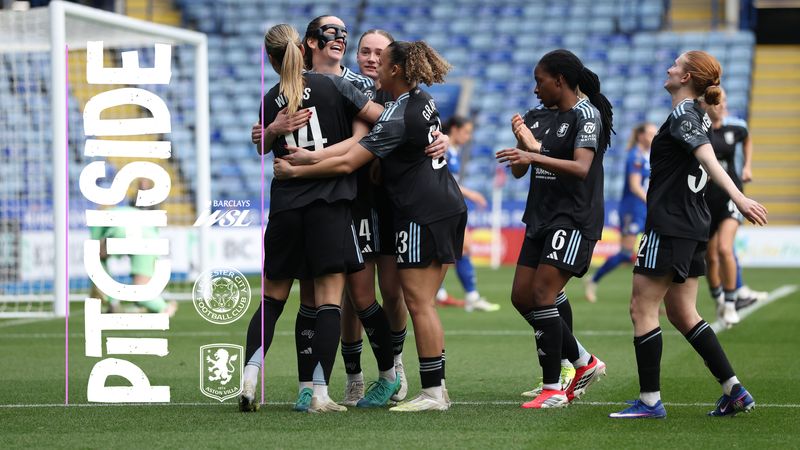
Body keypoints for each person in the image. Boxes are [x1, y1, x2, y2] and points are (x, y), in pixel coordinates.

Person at [275, 40, 463, 412]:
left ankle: (425, 389)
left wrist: (301, 166)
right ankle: (425, 386)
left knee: (415, 301)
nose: (372, 60)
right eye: (365, 52)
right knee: (399, 300)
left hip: (418, 210)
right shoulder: (417, 99)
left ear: (394, 68)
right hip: (436, 203)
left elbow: (350, 160)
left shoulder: (396, 112)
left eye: (381, 55)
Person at [609, 51, 767, 419]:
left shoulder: (684, 114)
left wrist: (739, 198)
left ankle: (649, 402)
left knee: (642, 308)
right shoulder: (694, 115)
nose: (668, 68)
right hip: (691, 224)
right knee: (682, 312)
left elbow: (708, 158)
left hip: (671, 224)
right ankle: (735, 391)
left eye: (675, 65)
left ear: (687, 77)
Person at [239, 23, 384, 414]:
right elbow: (377, 123)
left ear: (272, 59)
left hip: (286, 205)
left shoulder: (271, 98)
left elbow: (261, 147)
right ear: (303, 50)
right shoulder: (334, 87)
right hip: (329, 203)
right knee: (328, 302)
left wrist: (269, 131)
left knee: (271, 298)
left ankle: (250, 377)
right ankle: (319, 392)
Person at [496, 49, 612, 409]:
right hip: (540, 217)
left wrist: (534, 152)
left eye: (539, 81)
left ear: (559, 80)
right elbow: (519, 170)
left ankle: (553, 388)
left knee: (543, 294)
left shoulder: (586, 115)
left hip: (573, 217)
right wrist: (522, 144)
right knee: (521, 296)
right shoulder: (537, 116)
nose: (534, 89)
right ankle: (583, 361)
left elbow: (581, 168)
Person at [700, 87, 761, 326]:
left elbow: (747, 139)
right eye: (718, 102)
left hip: (731, 196)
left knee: (725, 249)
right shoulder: (699, 129)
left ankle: (731, 301)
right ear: (708, 104)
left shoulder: (736, 127)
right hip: (705, 198)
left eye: (724, 101)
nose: (723, 105)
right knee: (710, 257)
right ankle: (719, 300)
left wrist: (747, 166)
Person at [434, 115, 500, 312]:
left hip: (448, 208)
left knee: (459, 250)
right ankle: (465, 296)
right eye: (466, 132)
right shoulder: (443, 148)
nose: (468, 137)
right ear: (454, 129)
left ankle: (447, 294)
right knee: (461, 248)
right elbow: (442, 181)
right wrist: (470, 193)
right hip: (439, 209)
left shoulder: (454, 150)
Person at [585, 123, 656, 302]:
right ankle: (593, 280)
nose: (654, 137)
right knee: (625, 253)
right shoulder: (635, 157)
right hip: (633, 208)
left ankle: (651, 298)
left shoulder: (648, 156)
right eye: (650, 133)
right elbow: (634, 186)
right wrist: (652, 201)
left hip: (644, 208)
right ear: (641, 136)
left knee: (653, 251)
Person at [88, 179, 177, 317]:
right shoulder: (126, 210)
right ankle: (163, 307)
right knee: (141, 289)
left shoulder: (98, 217)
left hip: (124, 233)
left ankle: (113, 301)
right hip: (150, 238)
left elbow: (95, 249)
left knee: (96, 257)